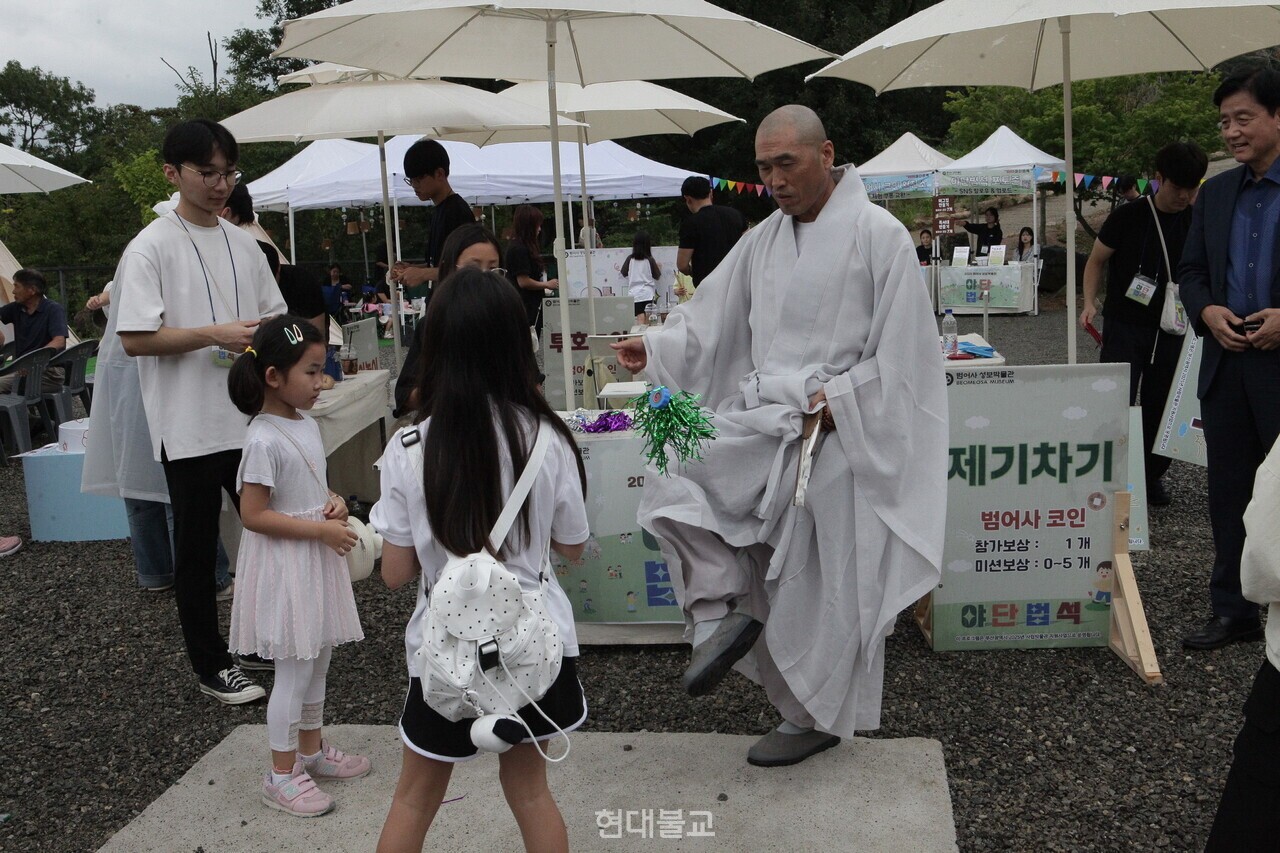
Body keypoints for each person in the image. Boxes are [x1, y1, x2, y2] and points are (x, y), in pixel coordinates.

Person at [611, 105, 947, 767]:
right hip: (765, 417)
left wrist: (843, 393)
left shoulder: (880, 236)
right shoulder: (764, 238)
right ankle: (713, 612)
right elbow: (709, 320)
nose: (774, 180)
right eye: (763, 168)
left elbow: (908, 355)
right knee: (671, 456)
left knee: (818, 583)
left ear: (826, 155)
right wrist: (653, 347)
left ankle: (813, 713)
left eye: (785, 164)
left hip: (841, 430)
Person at [371, 268, 589, 852]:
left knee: (414, 798)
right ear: (517, 344)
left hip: (444, 651)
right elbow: (572, 545)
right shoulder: (547, 437)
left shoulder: (408, 447)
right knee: (531, 794)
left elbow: (394, 573)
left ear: (436, 345)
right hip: (531, 644)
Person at [114, 119, 286, 705]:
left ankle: (262, 640)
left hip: (250, 418)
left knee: (272, 532)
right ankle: (210, 663)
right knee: (194, 546)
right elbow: (135, 338)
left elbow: (276, 318)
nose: (219, 184)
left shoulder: (246, 243)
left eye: (228, 173)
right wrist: (213, 334)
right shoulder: (149, 246)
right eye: (207, 172)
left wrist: (264, 344)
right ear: (173, 173)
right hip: (186, 422)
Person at [226, 315, 368, 818]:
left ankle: (310, 751)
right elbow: (254, 514)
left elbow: (309, 488)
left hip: (314, 558)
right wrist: (320, 530)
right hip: (288, 565)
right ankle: (280, 774)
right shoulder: (262, 439)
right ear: (272, 377)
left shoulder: (304, 423)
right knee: (294, 668)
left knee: (318, 659)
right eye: (310, 371)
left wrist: (333, 503)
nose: (320, 380)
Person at [1178, 67, 1280, 652]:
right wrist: (1208, 312)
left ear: (1276, 117)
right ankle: (1233, 609)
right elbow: (1191, 272)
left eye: (1243, 118)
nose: (1232, 132)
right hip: (1226, 359)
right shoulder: (1216, 193)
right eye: (1224, 122)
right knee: (1230, 491)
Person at [82, 280, 235, 597]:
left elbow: (112, 299)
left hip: (127, 389)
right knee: (173, 489)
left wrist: (103, 297)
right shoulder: (164, 279)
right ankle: (208, 577)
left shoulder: (127, 282)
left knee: (143, 487)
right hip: (158, 389)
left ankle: (157, 572)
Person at [1079, 141, 1208, 509]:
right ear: (1158, 178)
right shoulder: (1128, 216)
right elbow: (1096, 261)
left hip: (1174, 329)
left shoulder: (1197, 220)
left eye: (1191, 187)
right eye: (1177, 187)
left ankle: (1150, 476)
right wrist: (1090, 302)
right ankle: (1112, 475)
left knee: (1162, 404)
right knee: (1116, 400)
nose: (1184, 196)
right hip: (1124, 326)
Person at [393, 223, 502, 417]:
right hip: (444, 430)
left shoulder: (508, 324)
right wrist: (445, 389)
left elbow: (532, 386)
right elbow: (404, 395)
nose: (483, 278)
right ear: (449, 269)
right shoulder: (432, 325)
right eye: (472, 268)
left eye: (493, 269)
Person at [391, 139, 476, 294]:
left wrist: (422, 274)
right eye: (411, 180)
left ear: (439, 174)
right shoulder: (440, 210)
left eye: (419, 179)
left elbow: (466, 269)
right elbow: (439, 264)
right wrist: (412, 269)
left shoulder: (458, 211)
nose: (415, 186)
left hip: (456, 304)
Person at [0, 268, 68, 394]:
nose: (13, 291)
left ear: (32, 290)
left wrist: (34, 361)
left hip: (49, 372)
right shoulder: (16, 308)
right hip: (23, 371)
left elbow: (59, 341)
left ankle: (17, 412)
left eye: (17, 286)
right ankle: (18, 412)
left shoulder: (53, 309)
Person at [677, 176, 748, 290]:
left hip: (708, 286)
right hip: (737, 283)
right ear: (711, 193)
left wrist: (692, 272)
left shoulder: (690, 224)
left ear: (688, 199)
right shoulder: (735, 214)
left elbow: (682, 265)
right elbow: (748, 245)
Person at [504, 205, 559, 339]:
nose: (539, 229)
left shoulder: (522, 246)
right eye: (537, 225)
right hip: (524, 306)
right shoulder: (519, 249)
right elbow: (523, 281)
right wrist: (546, 284)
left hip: (529, 305)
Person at [257, 243, 326, 337]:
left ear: (279, 269)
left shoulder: (302, 282)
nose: (267, 290)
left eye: (271, 282)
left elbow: (318, 333)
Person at [623, 231, 662, 323]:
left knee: (640, 317)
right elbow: (657, 276)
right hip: (648, 293)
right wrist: (659, 267)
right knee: (649, 318)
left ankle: (640, 335)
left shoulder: (630, 259)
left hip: (634, 294)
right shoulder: (649, 259)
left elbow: (624, 273)